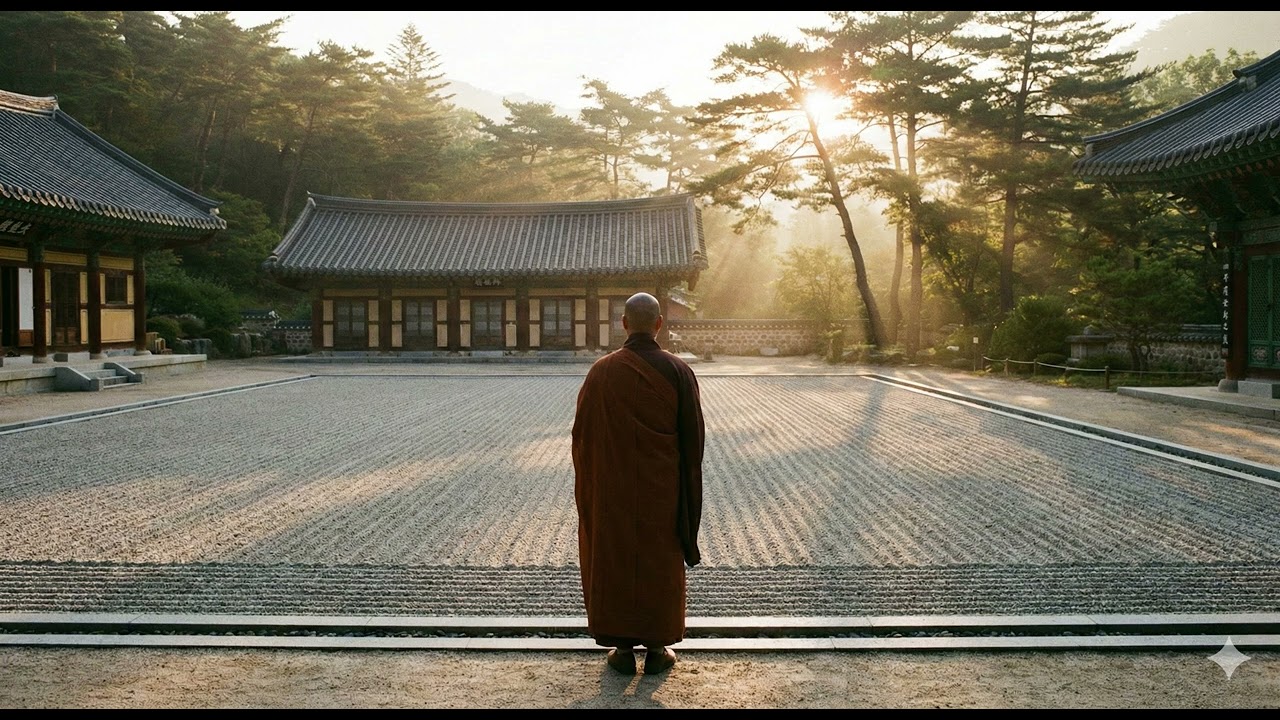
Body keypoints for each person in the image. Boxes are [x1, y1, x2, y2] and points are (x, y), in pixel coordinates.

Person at [571, 291, 705, 676]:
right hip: (661, 492)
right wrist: (686, 495)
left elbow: (583, 438)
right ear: (660, 325)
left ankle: (623, 649)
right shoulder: (679, 372)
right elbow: (692, 443)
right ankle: (658, 647)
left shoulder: (601, 372)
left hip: (614, 493)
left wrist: (596, 485)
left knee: (616, 556)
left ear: (624, 324)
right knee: (658, 562)